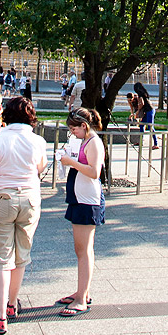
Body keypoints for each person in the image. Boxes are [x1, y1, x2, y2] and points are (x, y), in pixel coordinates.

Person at [0, 96, 47, 334]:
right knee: (21, 254)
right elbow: (40, 168)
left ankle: (0, 316)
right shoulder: (38, 141)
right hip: (29, 199)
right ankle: (12, 304)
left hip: (0, 199)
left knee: (1, 257)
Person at [58, 107, 105, 316]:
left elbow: (95, 172)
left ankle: (81, 298)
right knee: (82, 249)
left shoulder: (94, 142)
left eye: (74, 129)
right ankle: (81, 292)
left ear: (84, 126)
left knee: (84, 250)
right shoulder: (86, 141)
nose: (73, 133)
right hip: (80, 198)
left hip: (87, 200)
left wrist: (71, 162)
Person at [134, 81, 158, 149]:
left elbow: (142, 104)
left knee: (150, 126)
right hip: (147, 111)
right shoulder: (144, 93)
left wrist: (138, 111)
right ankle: (141, 141)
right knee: (141, 125)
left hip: (150, 111)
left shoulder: (141, 95)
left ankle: (156, 143)